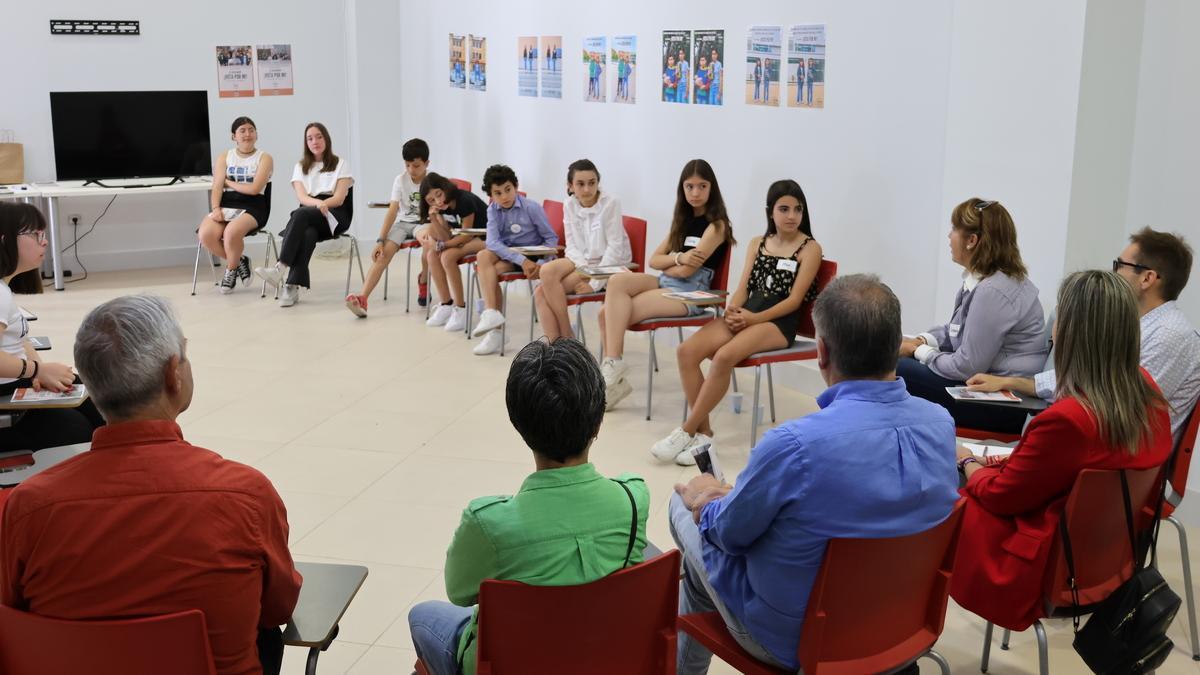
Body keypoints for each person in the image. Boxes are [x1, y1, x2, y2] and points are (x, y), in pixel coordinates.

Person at [671, 274, 960, 674]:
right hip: (901, 630)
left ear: (821, 352)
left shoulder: (793, 445)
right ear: (897, 348)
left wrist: (706, 498)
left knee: (685, 508)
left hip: (799, 644)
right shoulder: (941, 425)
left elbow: (729, 537)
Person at [0, 294, 302, 675]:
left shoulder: (28, 506)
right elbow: (279, 607)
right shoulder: (245, 495)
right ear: (173, 372)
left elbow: (12, 612)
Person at [407, 338, 649, 675]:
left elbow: (459, 592)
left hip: (508, 664)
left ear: (520, 425)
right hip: (601, 656)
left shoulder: (489, 523)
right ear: (597, 425)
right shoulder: (633, 500)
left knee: (422, 615)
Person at [951, 270, 1173, 631]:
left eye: (1058, 320)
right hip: (1109, 560)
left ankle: (898, 627)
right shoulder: (1149, 396)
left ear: (1072, 334)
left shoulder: (1069, 420)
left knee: (943, 486)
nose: (1051, 331)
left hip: (1046, 567)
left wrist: (966, 460)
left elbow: (1001, 497)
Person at [967, 228, 1199, 441]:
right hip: (1100, 448)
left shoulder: (1168, 335)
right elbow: (1094, 384)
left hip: (1111, 462)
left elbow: (1119, 407)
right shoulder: (1145, 325)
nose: (1113, 272)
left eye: (1119, 264)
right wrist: (1010, 382)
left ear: (1147, 278)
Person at [652, 180, 823, 465]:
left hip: (778, 323)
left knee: (724, 356)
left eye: (797, 209)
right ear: (771, 212)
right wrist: (733, 310)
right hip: (747, 313)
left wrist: (753, 318)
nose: (791, 215)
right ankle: (704, 435)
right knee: (687, 351)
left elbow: (794, 301)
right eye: (784, 209)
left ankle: (685, 430)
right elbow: (743, 286)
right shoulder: (758, 242)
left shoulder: (810, 248)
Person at [896, 198, 1047, 433]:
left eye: (954, 229)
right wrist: (922, 340)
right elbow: (954, 330)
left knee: (900, 369)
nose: (949, 236)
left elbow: (966, 365)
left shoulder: (993, 291)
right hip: (992, 393)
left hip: (1006, 407)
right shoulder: (986, 281)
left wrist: (918, 352)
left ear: (972, 241)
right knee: (901, 362)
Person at [598, 159, 734, 410]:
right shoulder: (681, 221)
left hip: (692, 292)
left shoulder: (717, 226)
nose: (695, 193)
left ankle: (612, 374)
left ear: (711, 188)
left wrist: (673, 263)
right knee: (616, 282)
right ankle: (614, 366)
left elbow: (688, 271)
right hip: (665, 282)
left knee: (609, 313)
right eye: (689, 186)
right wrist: (679, 257)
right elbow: (654, 260)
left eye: (702, 186)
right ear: (682, 189)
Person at [0, 203, 104, 450]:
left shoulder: (5, 290)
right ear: (4, 240)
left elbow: (18, 340)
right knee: (81, 428)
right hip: (7, 394)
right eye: (36, 235)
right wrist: (35, 371)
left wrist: (40, 371)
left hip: (16, 381)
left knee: (85, 396)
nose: (44, 242)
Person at [255, 122, 353, 307]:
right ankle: (291, 286)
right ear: (305, 142)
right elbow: (301, 196)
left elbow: (339, 198)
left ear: (326, 139)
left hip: (335, 213)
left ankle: (280, 268)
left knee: (299, 214)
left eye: (319, 136)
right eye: (310, 138)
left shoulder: (341, 164)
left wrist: (324, 203)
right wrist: (318, 204)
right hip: (311, 211)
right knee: (307, 232)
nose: (314, 141)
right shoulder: (300, 166)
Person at [533, 159, 631, 342]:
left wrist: (593, 283)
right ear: (570, 186)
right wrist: (584, 269)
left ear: (598, 182)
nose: (587, 189)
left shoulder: (611, 203)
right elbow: (572, 245)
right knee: (546, 271)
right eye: (580, 184)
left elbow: (615, 248)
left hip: (607, 264)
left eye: (592, 183)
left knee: (540, 293)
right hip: (581, 261)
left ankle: (562, 344)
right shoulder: (568, 204)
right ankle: (566, 335)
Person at [471, 165, 558, 356]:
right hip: (512, 255)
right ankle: (492, 317)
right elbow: (492, 242)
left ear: (516, 186)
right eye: (497, 193)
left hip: (533, 257)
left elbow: (551, 239)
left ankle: (494, 327)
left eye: (508, 190)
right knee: (483, 256)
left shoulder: (531, 207)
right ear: (491, 195)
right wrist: (519, 259)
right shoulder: (493, 210)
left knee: (488, 268)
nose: (504, 197)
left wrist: (541, 264)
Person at [345, 138, 430, 317]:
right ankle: (363, 299)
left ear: (426, 163)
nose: (411, 170)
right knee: (382, 256)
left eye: (416, 166)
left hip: (423, 223)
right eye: (407, 165)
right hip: (403, 223)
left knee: (428, 243)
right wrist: (380, 240)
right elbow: (392, 211)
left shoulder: (432, 181)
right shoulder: (400, 180)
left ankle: (424, 279)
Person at [198, 116, 273, 294]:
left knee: (230, 232)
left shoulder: (264, 158)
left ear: (257, 134)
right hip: (227, 203)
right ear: (234, 136)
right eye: (242, 131)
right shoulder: (225, 156)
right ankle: (240, 261)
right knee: (205, 235)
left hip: (254, 206)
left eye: (251, 130)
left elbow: (255, 189)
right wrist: (216, 209)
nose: (247, 134)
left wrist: (228, 183)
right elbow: (216, 187)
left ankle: (230, 271)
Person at [420, 174, 490, 332]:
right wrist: (433, 216)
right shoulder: (441, 207)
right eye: (431, 200)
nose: (438, 201)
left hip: (485, 237)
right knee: (432, 255)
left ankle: (461, 308)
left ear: (445, 187)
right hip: (467, 238)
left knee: (447, 256)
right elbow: (445, 236)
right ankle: (446, 304)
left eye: (439, 194)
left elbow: (466, 235)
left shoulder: (464, 200)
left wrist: (443, 245)